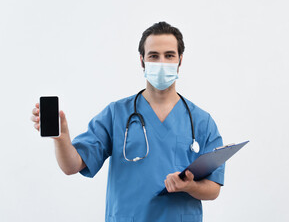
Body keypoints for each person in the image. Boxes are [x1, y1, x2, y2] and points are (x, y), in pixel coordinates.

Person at [31, 21, 225, 222]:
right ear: (142, 61)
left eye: (169, 55)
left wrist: (190, 186)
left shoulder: (202, 121)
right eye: (153, 56)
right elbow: (71, 166)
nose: (161, 63)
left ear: (180, 60)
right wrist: (61, 139)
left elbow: (213, 189)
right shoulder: (116, 114)